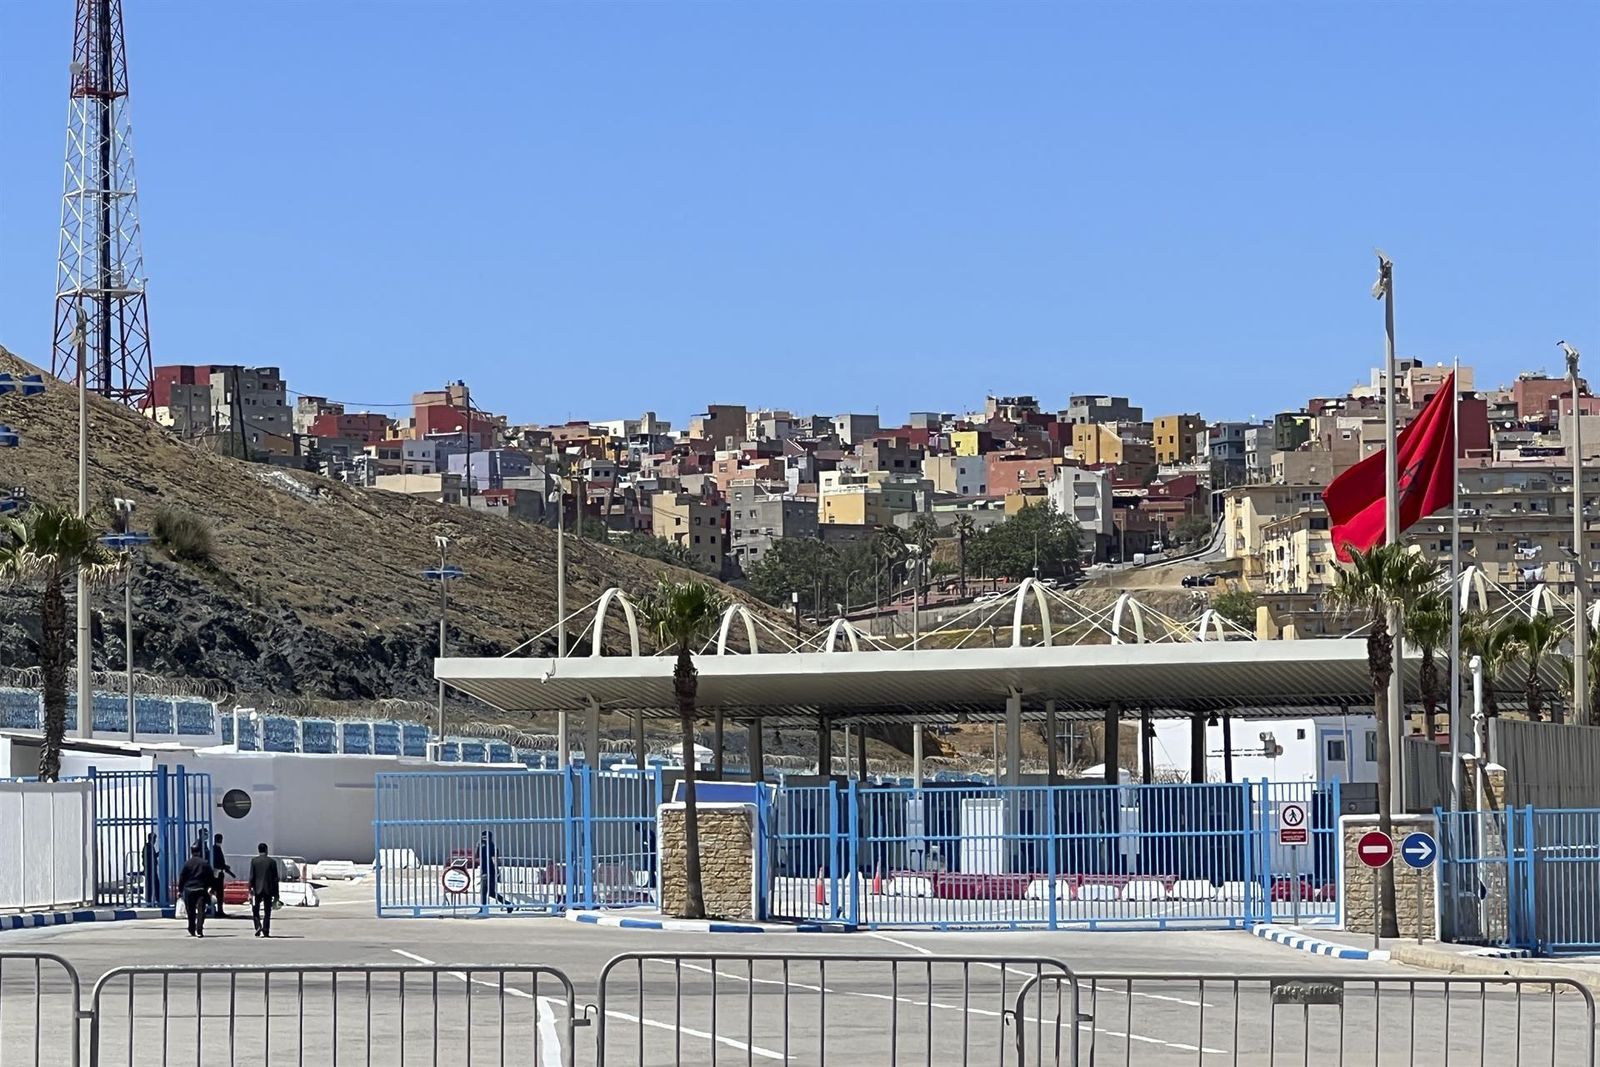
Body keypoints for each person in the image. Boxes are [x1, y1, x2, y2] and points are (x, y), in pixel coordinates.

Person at [177, 846, 213, 938]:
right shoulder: (204, 863)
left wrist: (180, 890)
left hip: (189, 890)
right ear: (199, 852)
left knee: (190, 911)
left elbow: (182, 877)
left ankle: (191, 928)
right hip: (201, 889)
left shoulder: (187, 864)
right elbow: (210, 876)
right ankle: (199, 929)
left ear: (191, 852)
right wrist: (211, 888)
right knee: (201, 910)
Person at [248, 843, 280, 938]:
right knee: (267, 911)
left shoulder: (254, 861)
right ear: (266, 850)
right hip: (268, 889)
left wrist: (250, 890)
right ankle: (266, 930)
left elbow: (251, 877)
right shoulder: (272, 862)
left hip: (256, 889)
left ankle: (257, 926)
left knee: (255, 910)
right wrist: (276, 894)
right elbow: (275, 879)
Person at [210, 833, 235, 917]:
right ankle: (218, 910)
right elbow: (217, 862)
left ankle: (218, 909)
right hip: (217, 873)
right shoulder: (215, 849)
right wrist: (224, 866)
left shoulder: (217, 848)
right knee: (219, 892)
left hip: (219, 872)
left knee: (218, 892)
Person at [142, 832, 161, 906]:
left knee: (153, 884)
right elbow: (147, 858)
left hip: (151, 869)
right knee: (152, 885)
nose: (155, 840)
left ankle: (153, 900)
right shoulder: (148, 847)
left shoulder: (149, 847)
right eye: (155, 839)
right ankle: (152, 900)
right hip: (150, 869)